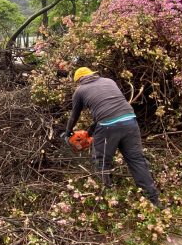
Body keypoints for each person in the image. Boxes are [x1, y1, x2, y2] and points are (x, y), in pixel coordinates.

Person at [65, 67, 161, 208]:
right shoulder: (109, 81)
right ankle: (154, 200)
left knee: (101, 161)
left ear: (79, 80)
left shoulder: (80, 90)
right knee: (137, 160)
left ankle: (109, 199)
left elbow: (74, 115)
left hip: (108, 126)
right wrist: (92, 129)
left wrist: (68, 132)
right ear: (92, 74)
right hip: (130, 120)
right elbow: (111, 107)